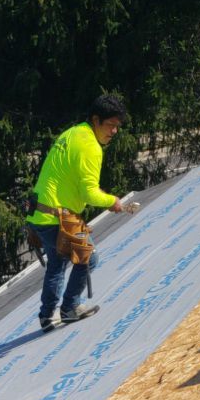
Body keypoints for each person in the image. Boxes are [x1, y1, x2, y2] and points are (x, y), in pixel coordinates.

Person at [26, 93, 129, 333]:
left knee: (58, 262)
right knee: (88, 258)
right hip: (58, 216)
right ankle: (69, 308)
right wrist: (113, 201)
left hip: (39, 213)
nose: (114, 131)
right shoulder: (91, 147)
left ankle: (48, 315)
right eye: (110, 125)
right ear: (96, 120)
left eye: (117, 126)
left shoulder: (72, 132)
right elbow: (89, 193)